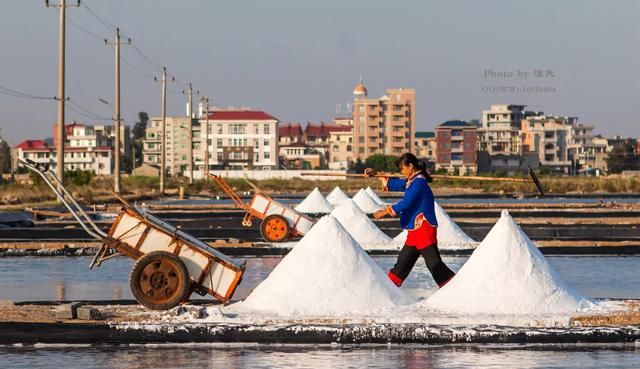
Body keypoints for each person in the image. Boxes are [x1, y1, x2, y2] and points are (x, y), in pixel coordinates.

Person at [365, 153, 455, 288]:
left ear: (411, 166)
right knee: (402, 264)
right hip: (415, 230)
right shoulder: (413, 182)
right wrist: (376, 174)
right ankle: (388, 289)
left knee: (434, 265)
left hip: (423, 228)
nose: (401, 172)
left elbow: (406, 203)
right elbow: (399, 183)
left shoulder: (419, 183)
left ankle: (454, 287)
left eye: (402, 169)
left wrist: (384, 211)